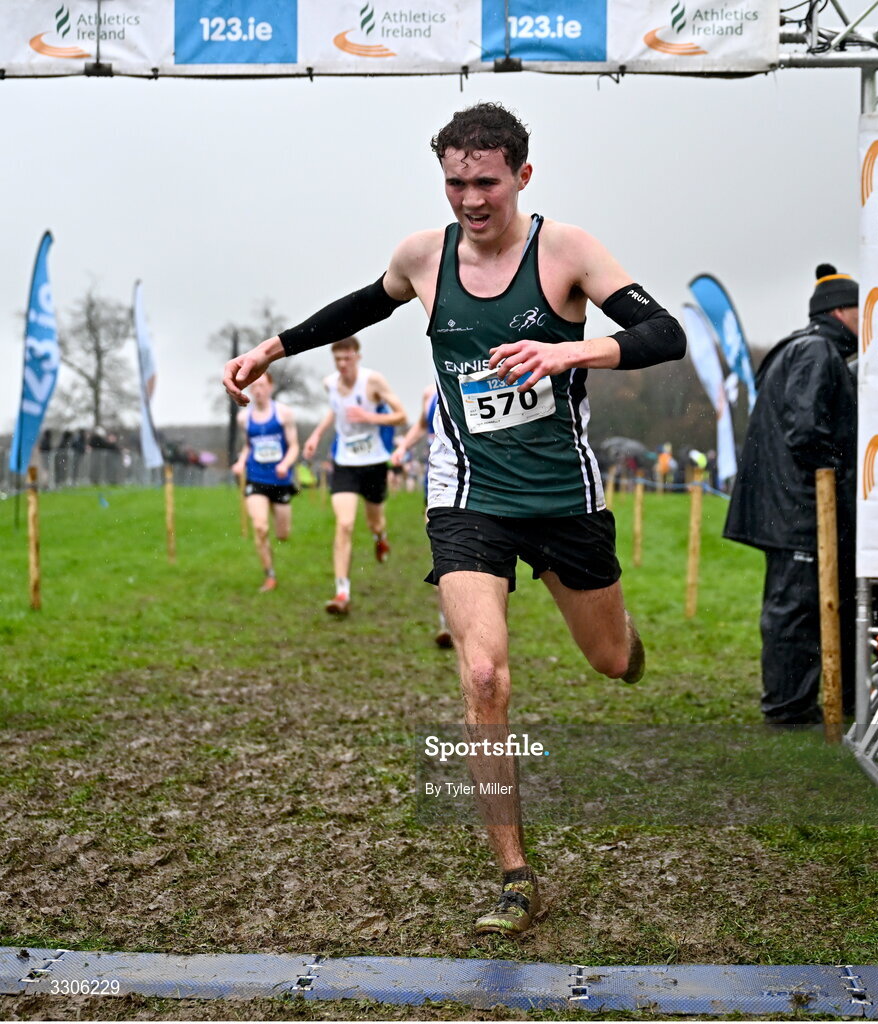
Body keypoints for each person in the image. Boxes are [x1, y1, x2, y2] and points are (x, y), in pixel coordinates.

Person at [224, 102, 686, 935]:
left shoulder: (566, 251)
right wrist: (272, 349)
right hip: (468, 496)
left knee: (610, 660)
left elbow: (664, 333)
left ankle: (623, 645)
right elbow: (361, 306)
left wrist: (570, 349)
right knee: (481, 677)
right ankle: (514, 874)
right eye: (454, 182)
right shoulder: (422, 257)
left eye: (485, 182)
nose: (470, 200)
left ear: (520, 176)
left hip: (563, 499)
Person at [723, 263, 858, 726]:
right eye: (862, 309)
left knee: (794, 608)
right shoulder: (818, 350)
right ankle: (789, 709)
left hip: (787, 506)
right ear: (842, 310)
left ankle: (796, 703)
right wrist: (840, 467)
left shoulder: (800, 347)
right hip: (799, 508)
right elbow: (807, 431)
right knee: (795, 612)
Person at [302, 336, 406, 616]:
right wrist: (316, 434)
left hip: (373, 463)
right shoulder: (330, 383)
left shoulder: (373, 381)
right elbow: (335, 411)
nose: (343, 364)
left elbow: (401, 416)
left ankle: (380, 536)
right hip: (345, 463)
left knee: (374, 522)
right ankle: (341, 592)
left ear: (358, 356)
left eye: (348, 358)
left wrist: (369, 417)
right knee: (344, 523)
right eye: (338, 359)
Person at [391, 385, 453, 648]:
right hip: (438, 488)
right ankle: (447, 622)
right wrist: (403, 446)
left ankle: (461, 619)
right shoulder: (430, 393)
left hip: (475, 484)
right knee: (442, 554)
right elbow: (420, 424)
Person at [230, 372, 299, 592]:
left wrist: (284, 464)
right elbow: (248, 446)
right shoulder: (244, 418)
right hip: (256, 478)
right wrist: (241, 462)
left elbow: (294, 446)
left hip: (280, 480)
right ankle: (270, 575)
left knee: (282, 534)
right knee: (260, 527)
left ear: (271, 387)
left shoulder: (283, 414)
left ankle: (279, 535)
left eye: (262, 386)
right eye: (254, 387)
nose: (258, 391)